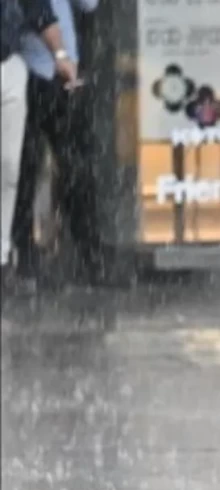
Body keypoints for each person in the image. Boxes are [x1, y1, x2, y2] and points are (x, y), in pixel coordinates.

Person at [9, 0, 92, 289]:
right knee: (22, 170)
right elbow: (34, 12)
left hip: (61, 72)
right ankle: (24, 257)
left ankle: (85, 253)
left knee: (74, 166)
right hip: (32, 68)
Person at [3, 0, 61, 282]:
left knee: (12, 167)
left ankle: (6, 253)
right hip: (22, 64)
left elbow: (40, 12)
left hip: (12, 63)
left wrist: (61, 54)